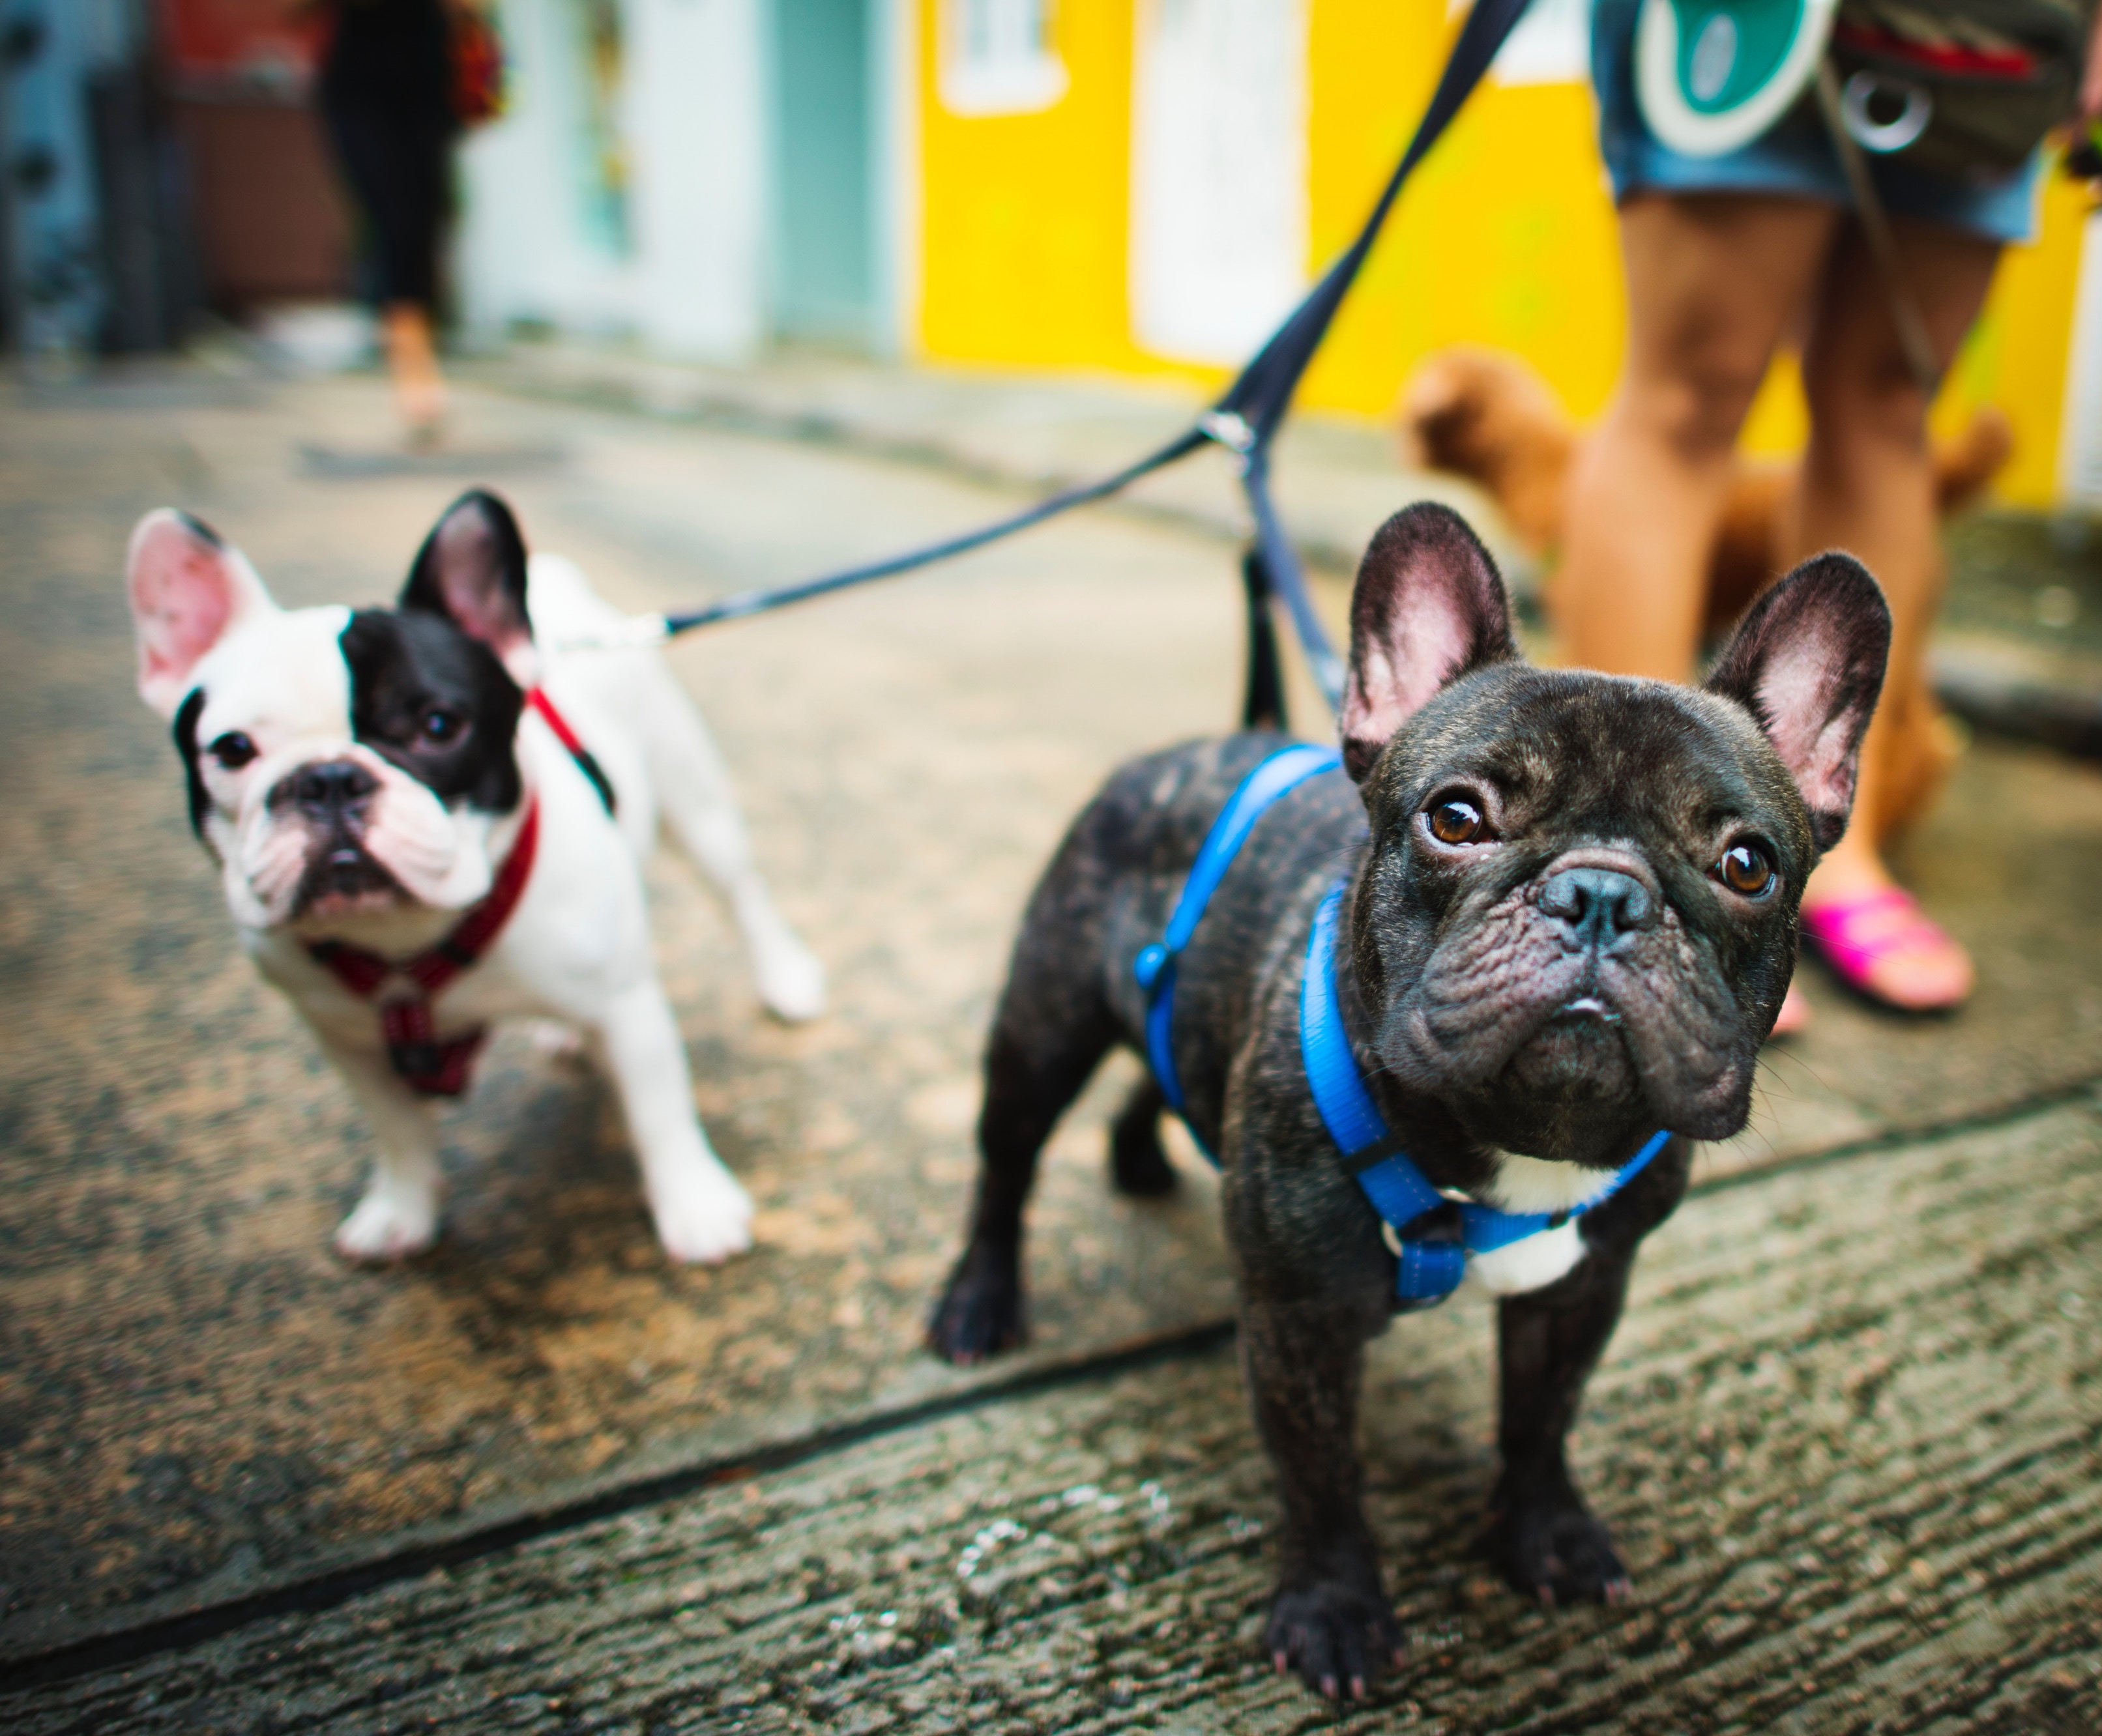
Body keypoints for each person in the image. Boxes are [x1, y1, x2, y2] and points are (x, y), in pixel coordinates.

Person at [1557, 2, 2098, 1019]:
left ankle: (1826, 855)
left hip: (1995, 35)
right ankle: (1620, 854)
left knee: (1890, 405)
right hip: (1751, 25)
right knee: (1689, 394)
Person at [308, 0, 469, 441]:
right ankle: (413, 368)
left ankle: (416, 348)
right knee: (395, 218)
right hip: (361, 82)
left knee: (424, 220)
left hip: (428, 73)